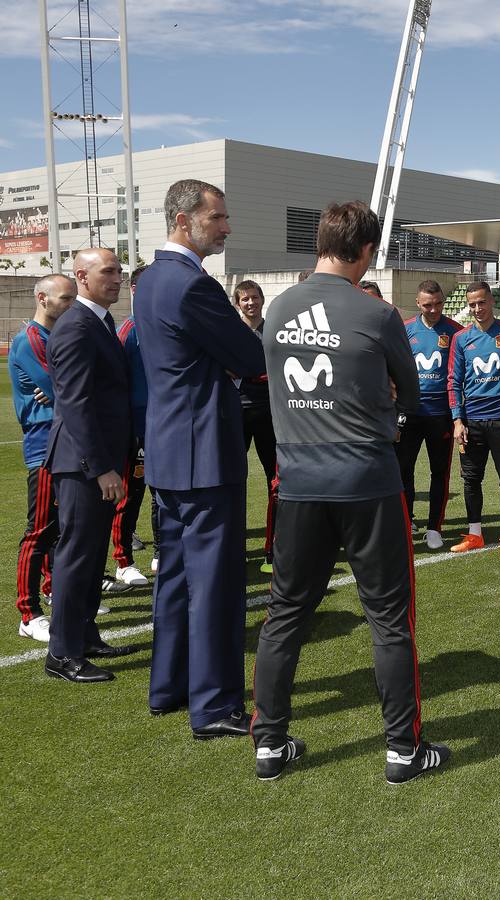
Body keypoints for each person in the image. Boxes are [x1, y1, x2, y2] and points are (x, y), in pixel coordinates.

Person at [253, 200, 447, 783]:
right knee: (389, 618)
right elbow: (412, 398)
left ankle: (269, 745)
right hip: (367, 482)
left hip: (299, 485)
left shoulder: (277, 309)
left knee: (285, 613)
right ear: (366, 250)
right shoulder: (377, 313)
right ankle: (402, 750)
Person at [136, 179, 266, 738]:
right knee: (214, 582)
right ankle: (213, 705)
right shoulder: (193, 285)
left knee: (176, 578)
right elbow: (249, 353)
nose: (227, 226)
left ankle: (168, 686)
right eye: (218, 217)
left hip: (170, 451)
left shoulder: (150, 281)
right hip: (203, 454)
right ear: (185, 220)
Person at [42, 248, 135, 682]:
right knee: (76, 554)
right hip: (82, 463)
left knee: (92, 551)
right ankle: (61, 653)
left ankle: (84, 633)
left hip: (94, 459)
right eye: (108, 272)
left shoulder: (97, 321)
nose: (117, 278)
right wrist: (101, 467)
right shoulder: (78, 326)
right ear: (82, 275)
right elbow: (76, 404)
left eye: (119, 271)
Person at [9, 274, 76, 642]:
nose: (71, 305)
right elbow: (63, 388)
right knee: (40, 529)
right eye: (65, 299)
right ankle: (28, 611)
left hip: (65, 437)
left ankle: (54, 590)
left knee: (63, 526)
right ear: (43, 299)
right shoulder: (30, 340)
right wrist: (66, 388)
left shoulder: (56, 337)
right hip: (44, 444)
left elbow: (70, 386)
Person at [447, 282, 500, 554]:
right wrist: (457, 420)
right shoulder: (461, 338)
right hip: (472, 420)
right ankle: (474, 534)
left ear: (491, 301)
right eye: (472, 304)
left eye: (481, 302)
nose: (477, 309)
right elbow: (453, 381)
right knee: (471, 479)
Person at [399, 280, 462, 551]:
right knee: (403, 472)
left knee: (440, 472)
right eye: (428, 305)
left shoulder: (455, 331)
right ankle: (405, 523)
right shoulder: (404, 330)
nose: (434, 309)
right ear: (418, 303)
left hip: (441, 414)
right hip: (410, 414)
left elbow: (461, 374)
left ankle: (434, 527)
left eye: (438, 304)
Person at [110, 265, 159, 584]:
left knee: (161, 493)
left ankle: (162, 550)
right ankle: (123, 559)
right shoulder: (128, 331)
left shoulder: (160, 325)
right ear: (134, 290)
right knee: (131, 495)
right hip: (137, 429)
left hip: (162, 425)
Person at [232, 280, 278, 574]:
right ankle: (234, 548)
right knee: (234, 481)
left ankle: (273, 547)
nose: (251, 303)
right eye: (245, 299)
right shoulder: (230, 331)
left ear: (262, 300)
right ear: (237, 304)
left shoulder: (274, 330)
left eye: (255, 297)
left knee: (276, 480)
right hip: (237, 411)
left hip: (271, 414)